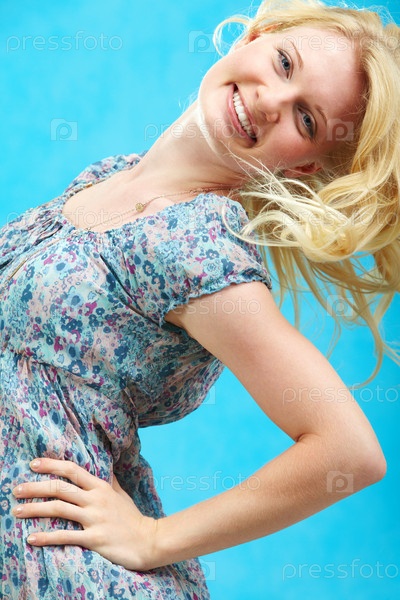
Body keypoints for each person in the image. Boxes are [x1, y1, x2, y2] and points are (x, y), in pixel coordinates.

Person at [2, 0, 399, 597]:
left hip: (59, 573)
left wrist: (153, 539)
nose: (269, 101)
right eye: (284, 63)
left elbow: (351, 451)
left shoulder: (200, 243)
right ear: (256, 35)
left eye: (306, 119)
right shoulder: (110, 177)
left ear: (306, 165)